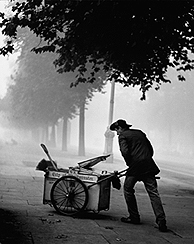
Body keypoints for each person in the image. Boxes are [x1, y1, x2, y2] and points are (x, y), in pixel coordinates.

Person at [110, 119, 167, 232]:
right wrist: (145, 159)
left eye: (116, 130)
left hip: (135, 166)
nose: (117, 133)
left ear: (120, 128)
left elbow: (125, 152)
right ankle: (161, 220)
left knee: (127, 189)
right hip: (148, 165)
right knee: (153, 192)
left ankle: (134, 216)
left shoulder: (122, 136)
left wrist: (131, 164)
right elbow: (150, 149)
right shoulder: (140, 132)